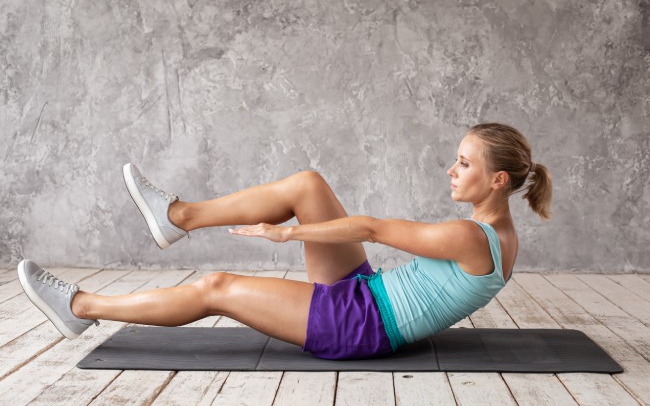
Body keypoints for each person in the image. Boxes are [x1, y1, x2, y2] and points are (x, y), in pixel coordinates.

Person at [18, 122, 552, 360]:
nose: (451, 170)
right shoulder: (502, 234)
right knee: (307, 184)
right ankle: (176, 216)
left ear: (498, 180)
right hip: (367, 293)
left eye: (464, 163)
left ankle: (81, 307)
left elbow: (370, 228)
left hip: (360, 324)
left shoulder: (468, 236)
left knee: (216, 286)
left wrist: (286, 233)